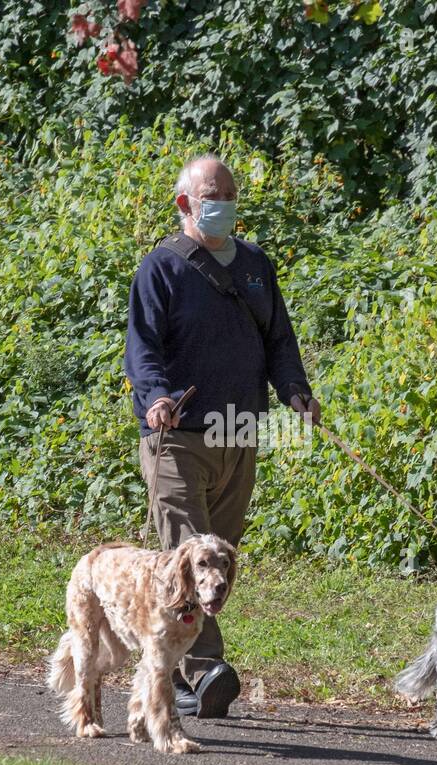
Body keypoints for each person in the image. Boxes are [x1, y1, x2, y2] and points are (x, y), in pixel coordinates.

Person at [123, 153, 321, 718]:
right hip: (179, 436)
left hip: (239, 434)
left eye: (229, 196)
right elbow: (143, 348)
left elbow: (279, 340)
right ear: (186, 204)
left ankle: (173, 664)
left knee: (218, 564)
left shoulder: (256, 264)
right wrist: (156, 396)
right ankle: (206, 669)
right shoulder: (160, 268)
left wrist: (294, 390)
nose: (224, 206)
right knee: (192, 555)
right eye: (213, 197)